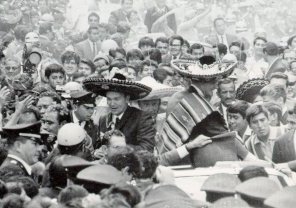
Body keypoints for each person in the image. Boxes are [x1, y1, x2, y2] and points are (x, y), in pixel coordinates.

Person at [159, 56, 257, 167]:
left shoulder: (178, 96)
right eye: (214, 80)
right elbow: (225, 136)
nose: (216, 86)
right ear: (205, 81)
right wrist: (253, 159)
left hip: (173, 159)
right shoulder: (199, 105)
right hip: (189, 164)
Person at [83, 73, 155, 152]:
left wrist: (121, 148)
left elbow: (147, 148)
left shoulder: (141, 117)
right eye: (109, 99)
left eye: (116, 99)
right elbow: (98, 145)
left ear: (127, 99)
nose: (112, 103)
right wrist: (98, 151)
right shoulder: (103, 119)